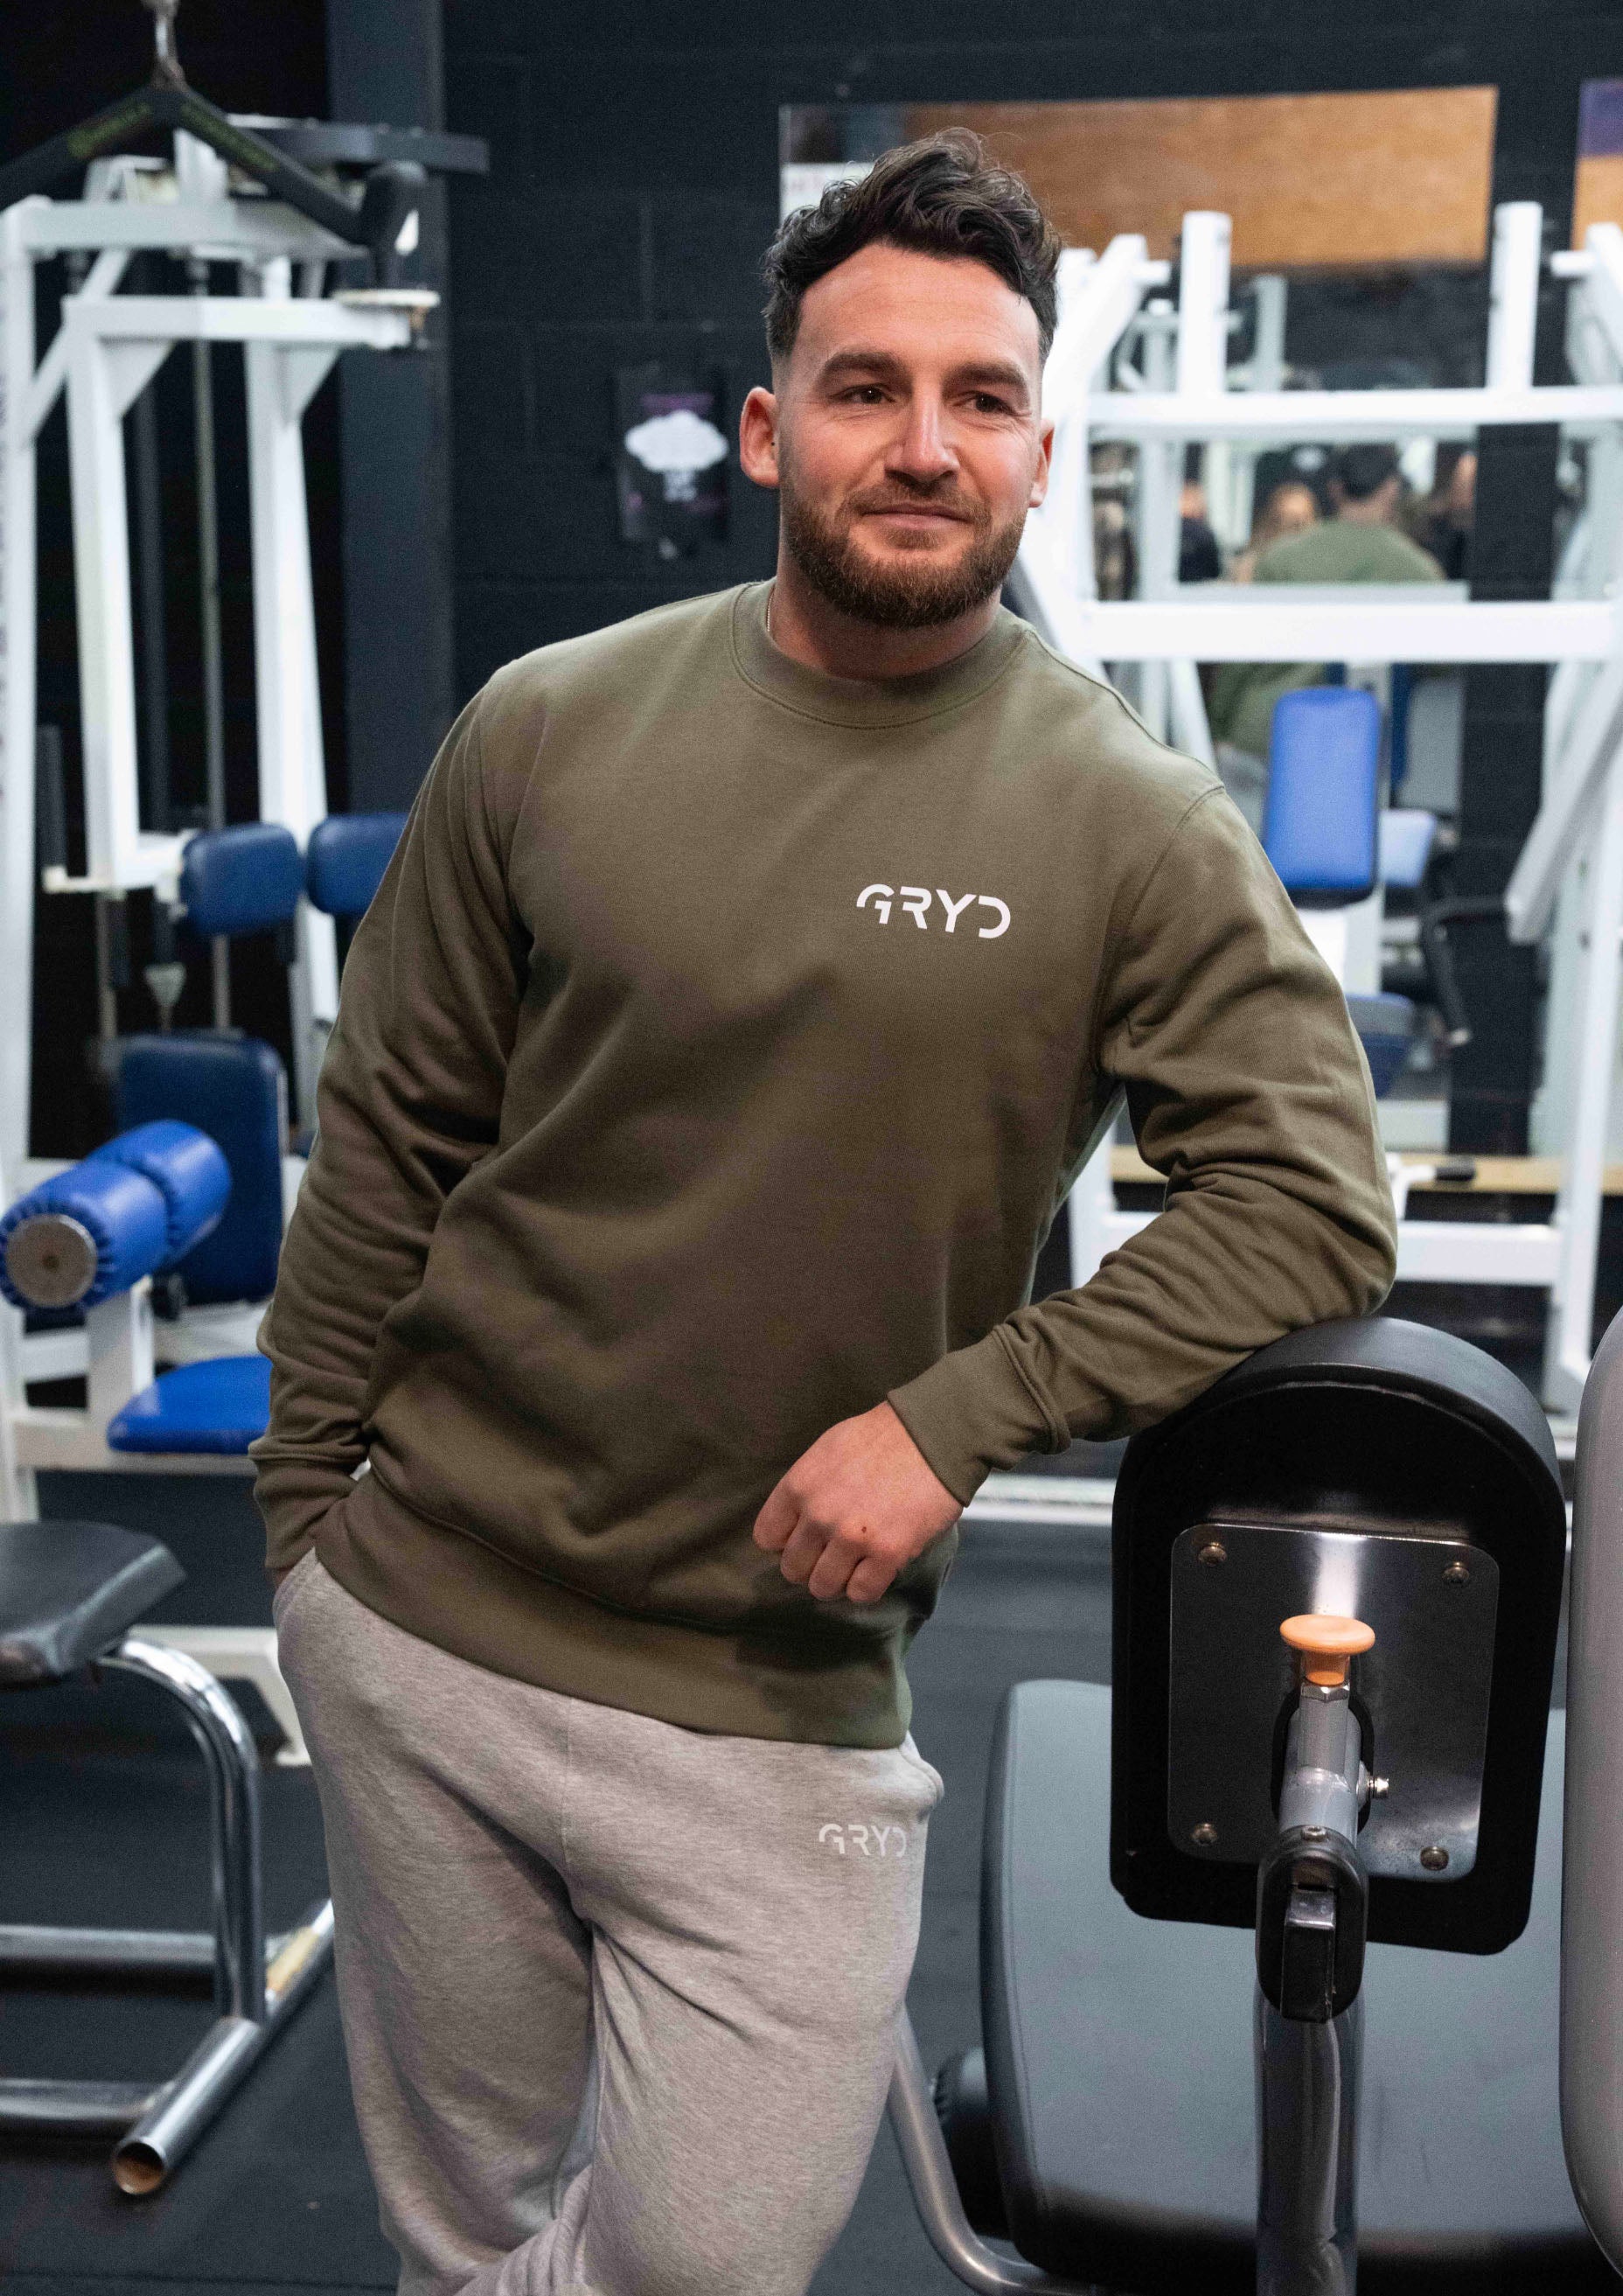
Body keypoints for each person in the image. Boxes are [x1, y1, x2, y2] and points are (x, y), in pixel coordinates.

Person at [253, 132, 1397, 2296]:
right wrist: (307, 1529)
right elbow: (390, 1128)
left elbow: (1311, 1205)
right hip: (423, 1629)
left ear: (1037, 453)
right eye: (867, 388)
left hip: (772, 1703)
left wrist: (957, 1417)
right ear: (773, 428)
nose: (923, 443)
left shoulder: (1127, 822)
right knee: (460, 2234)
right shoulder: (548, 727)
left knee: (708, 2262)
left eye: (981, 398)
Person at [1208, 443, 1443, 827]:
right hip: (1357, 744)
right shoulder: (1419, 572)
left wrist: (1218, 726)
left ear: (1335, 489)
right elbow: (1435, 664)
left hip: (1264, 732)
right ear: (1391, 489)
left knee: (1246, 858)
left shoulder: (1281, 558)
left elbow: (1243, 658)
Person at [1229, 475, 1320, 582]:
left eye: (1298, 523)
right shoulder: (1250, 565)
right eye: (1281, 520)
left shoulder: (1320, 565)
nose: (1289, 530)